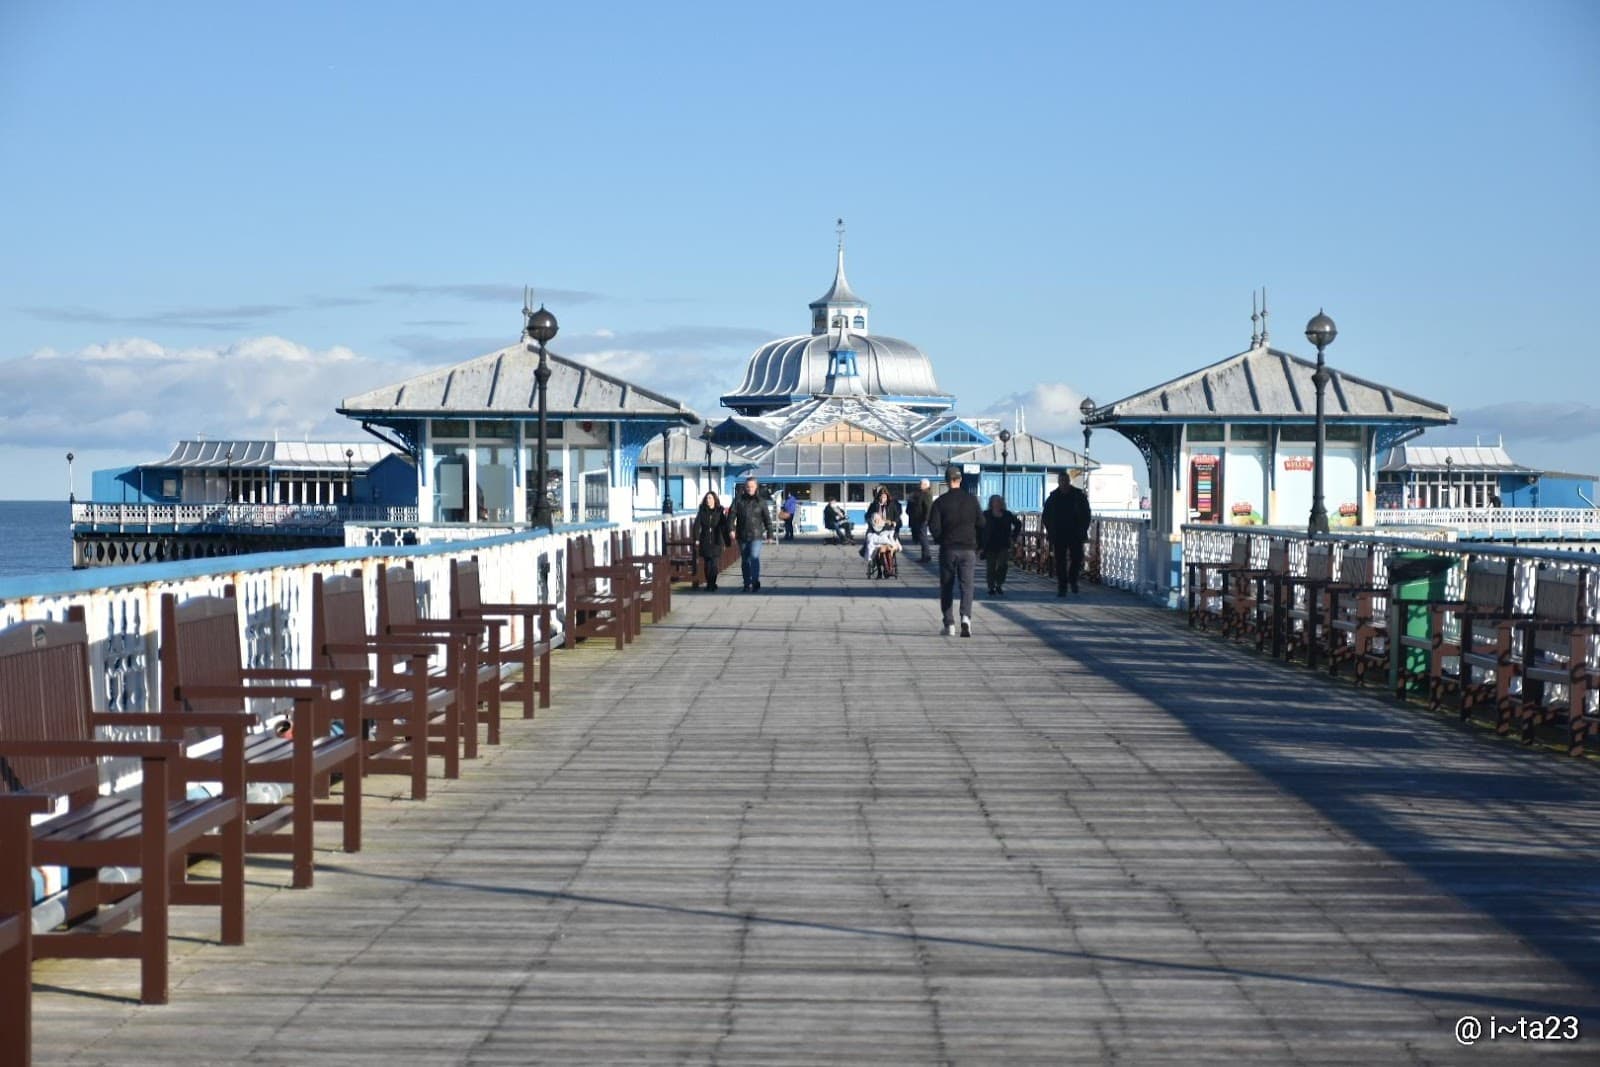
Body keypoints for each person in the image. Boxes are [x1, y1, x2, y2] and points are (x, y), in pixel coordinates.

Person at [927, 466, 984, 637]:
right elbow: (981, 523)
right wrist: (978, 544)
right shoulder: (972, 500)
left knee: (947, 586)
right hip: (968, 548)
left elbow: (933, 526)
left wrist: (940, 539)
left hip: (949, 549)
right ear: (960, 479)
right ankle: (966, 618)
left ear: (946, 481)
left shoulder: (940, 502)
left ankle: (949, 624)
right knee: (967, 586)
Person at [1042, 469, 1092, 596]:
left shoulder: (1078, 495)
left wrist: (1083, 528)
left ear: (1069, 481)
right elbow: (1046, 515)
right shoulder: (1053, 497)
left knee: (1077, 558)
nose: (1063, 483)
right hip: (1058, 533)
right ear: (1058, 482)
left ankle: (1073, 579)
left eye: (1065, 480)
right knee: (1060, 561)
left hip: (1075, 533)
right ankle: (1062, 586)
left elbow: (1086, 514)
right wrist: (1050, 529)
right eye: (1061, 481)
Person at [730, 476, 776, 591]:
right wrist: (731, 529)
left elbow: (767, 519)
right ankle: (747, 583)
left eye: (751, 486)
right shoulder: (738, 500)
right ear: (745, 487)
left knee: (754, 557)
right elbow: (731, 516)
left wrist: (770, 535)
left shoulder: (761, 501)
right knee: (745, 559)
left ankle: (755, 581)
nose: (749, 488)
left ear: (756, 487)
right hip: (742, 534)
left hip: (756, 535)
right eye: (747, 486)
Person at [981, 494, 1023, 596]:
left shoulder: (1007, 514)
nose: (998, 503)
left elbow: (1018, 524)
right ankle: (991, 587)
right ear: (991, 503)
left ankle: (999, 584)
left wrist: (1013, 536)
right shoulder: (986, 514)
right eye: (996, 501)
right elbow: (979, 527)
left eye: (999, 501)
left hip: (1003, 544)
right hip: (990, 544)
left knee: (1003, 565)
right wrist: (979, 543)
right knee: (990, 567)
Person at [691, 491, 731, 591]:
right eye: (707, 498)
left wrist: (727, 541)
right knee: (707, 563)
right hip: (705, 539)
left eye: (710, 498)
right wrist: (696, 538)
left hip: (717, 540)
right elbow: (697, 525)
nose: (708, 500)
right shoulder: (702, 510)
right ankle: (709, 583)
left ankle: (712, 583)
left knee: (714, 563)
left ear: (714, 500)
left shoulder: (719, 511)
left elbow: (724, 526)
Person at [863, 513, 900, 578]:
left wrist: (892, 527)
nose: (877, 521)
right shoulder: (871, 527)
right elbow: (869, 538)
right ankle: (887, 570)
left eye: (878, 519)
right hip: (876, 546)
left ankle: (888, 570)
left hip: (887, 544)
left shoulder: (885, 525)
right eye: (875, 520)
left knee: (887, 548)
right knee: (882, 548)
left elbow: (891, 534)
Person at [907, 478, 933, 562]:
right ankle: (925, 555)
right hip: (917, 519)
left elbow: (928, 507)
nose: (919, 485)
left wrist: (926, 519)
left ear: (926, 485)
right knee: (921, 537)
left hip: (922, 519)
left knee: (923, 537)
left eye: (921, 483)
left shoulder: (927, 494)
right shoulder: (919, 493)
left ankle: (926, 556)